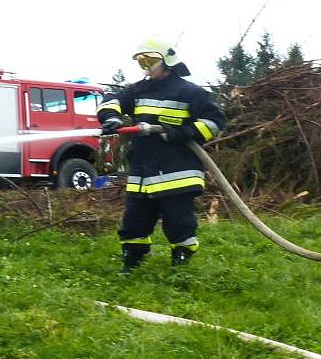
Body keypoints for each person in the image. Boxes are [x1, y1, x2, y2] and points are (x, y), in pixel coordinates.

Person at [97, 39, 226, 273]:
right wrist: (111, 118)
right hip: (143, 171)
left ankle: (181, 260)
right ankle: (132, 260)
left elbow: (214, 121)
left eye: (150, 60)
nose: (146, 66)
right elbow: (111, 100)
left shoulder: (189, 92)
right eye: (141, 62)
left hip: (178, 170)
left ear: (167, 60)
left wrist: (181, 132)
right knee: (134, 221)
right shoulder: (137, 90)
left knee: (178, 221)